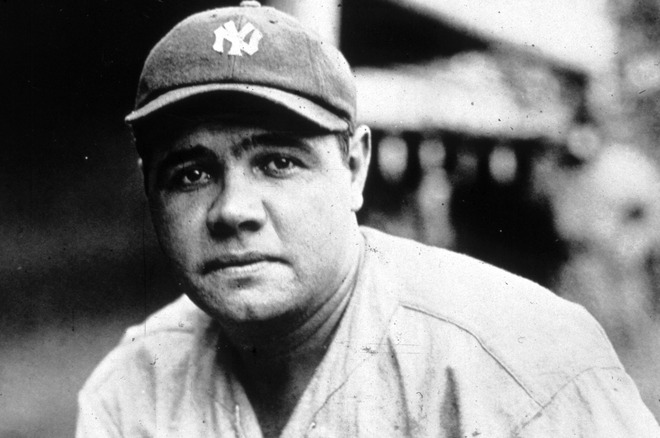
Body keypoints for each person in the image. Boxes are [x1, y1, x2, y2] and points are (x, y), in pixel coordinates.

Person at [77, 1, 660, 436]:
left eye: (278, 162)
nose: (233, 210)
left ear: (354, 168)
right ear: (150, 192)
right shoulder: (133, 389)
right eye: (190, 174)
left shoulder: (520, 363)